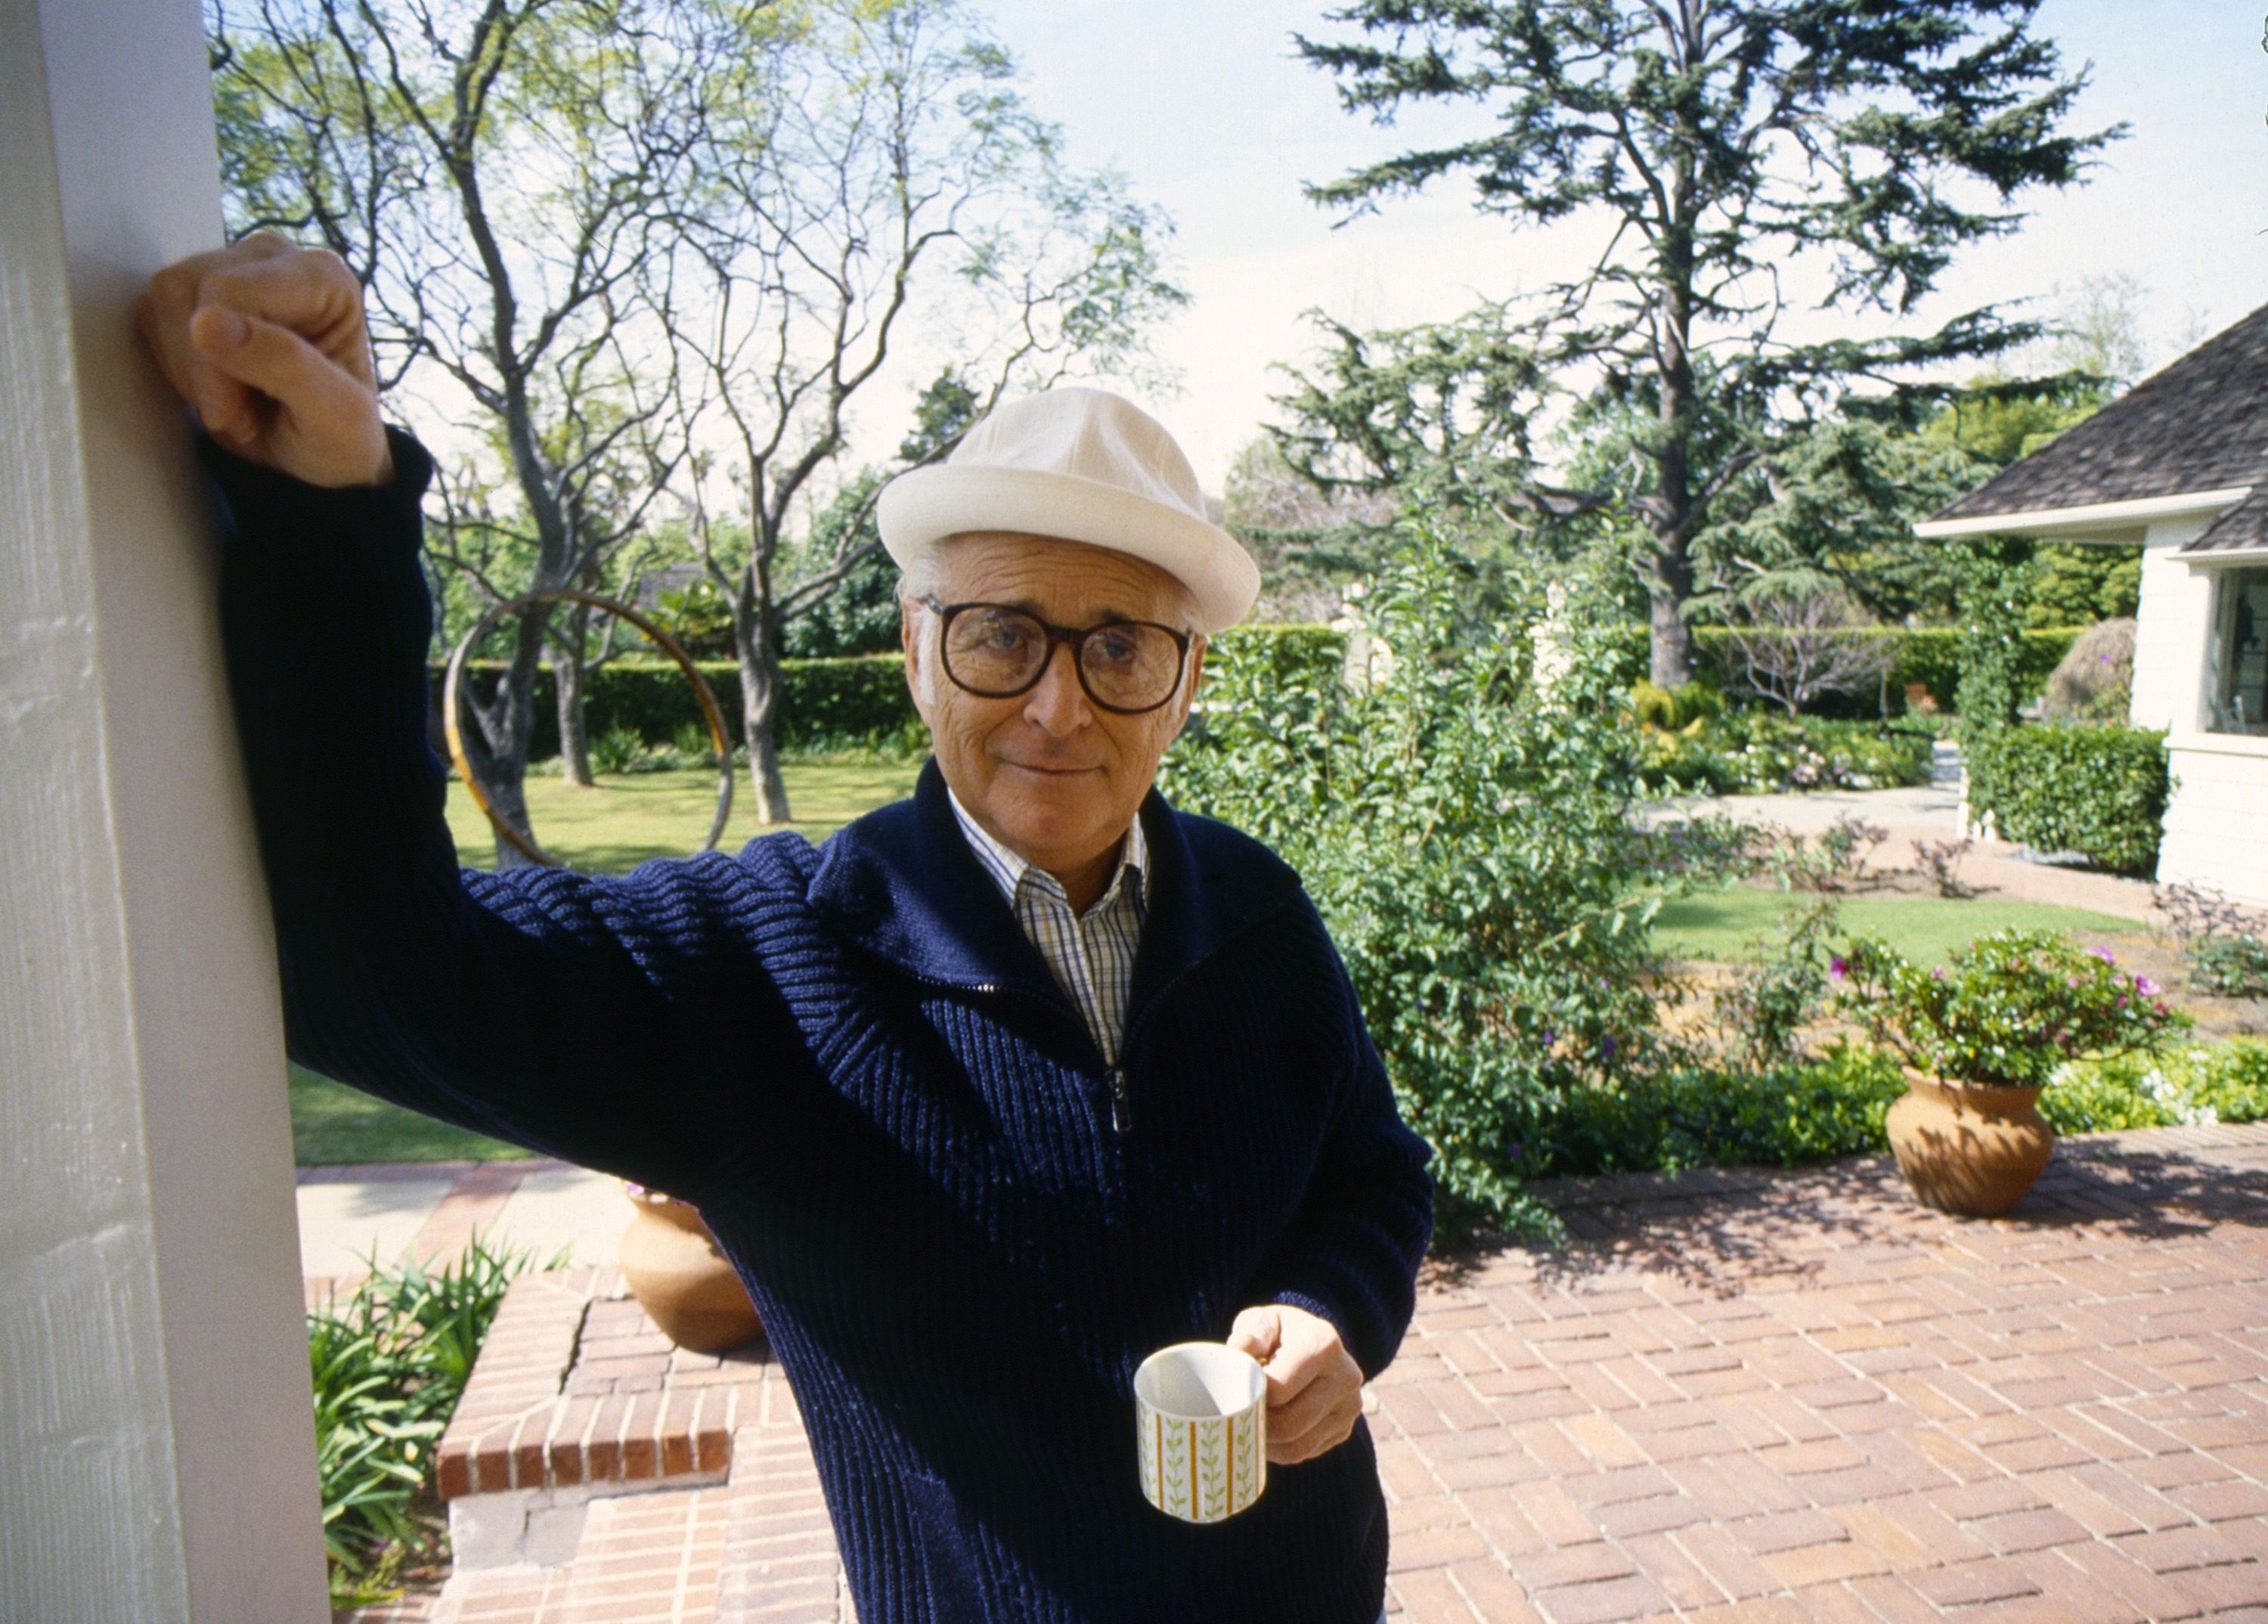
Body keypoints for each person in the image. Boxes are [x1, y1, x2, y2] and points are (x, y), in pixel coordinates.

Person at [139, 234, 1434, 1624]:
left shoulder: (1257, 916)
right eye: (1003, 633)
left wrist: (1335, 1311)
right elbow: (376, 981)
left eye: (1121, 648)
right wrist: (326, 515)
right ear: (913, 642)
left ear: (1185, 687)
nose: (1060, 706)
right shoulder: (765, 965)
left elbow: (1373, 1172)